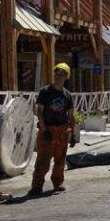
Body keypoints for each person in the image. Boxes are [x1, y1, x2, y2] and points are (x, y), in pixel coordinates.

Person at [30, 63, 76, 196]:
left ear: (66, 77)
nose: (57, 75)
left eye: (61, 74)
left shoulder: (67, 95)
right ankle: (37, 186)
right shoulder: (45, 92)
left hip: (62, 130)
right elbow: (39, 110)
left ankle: (58, 182)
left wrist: (72, 133)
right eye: (56, 73)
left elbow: (71, 115)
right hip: (48, 129)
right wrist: (44, 128)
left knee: (60, 159)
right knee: (43, 160)